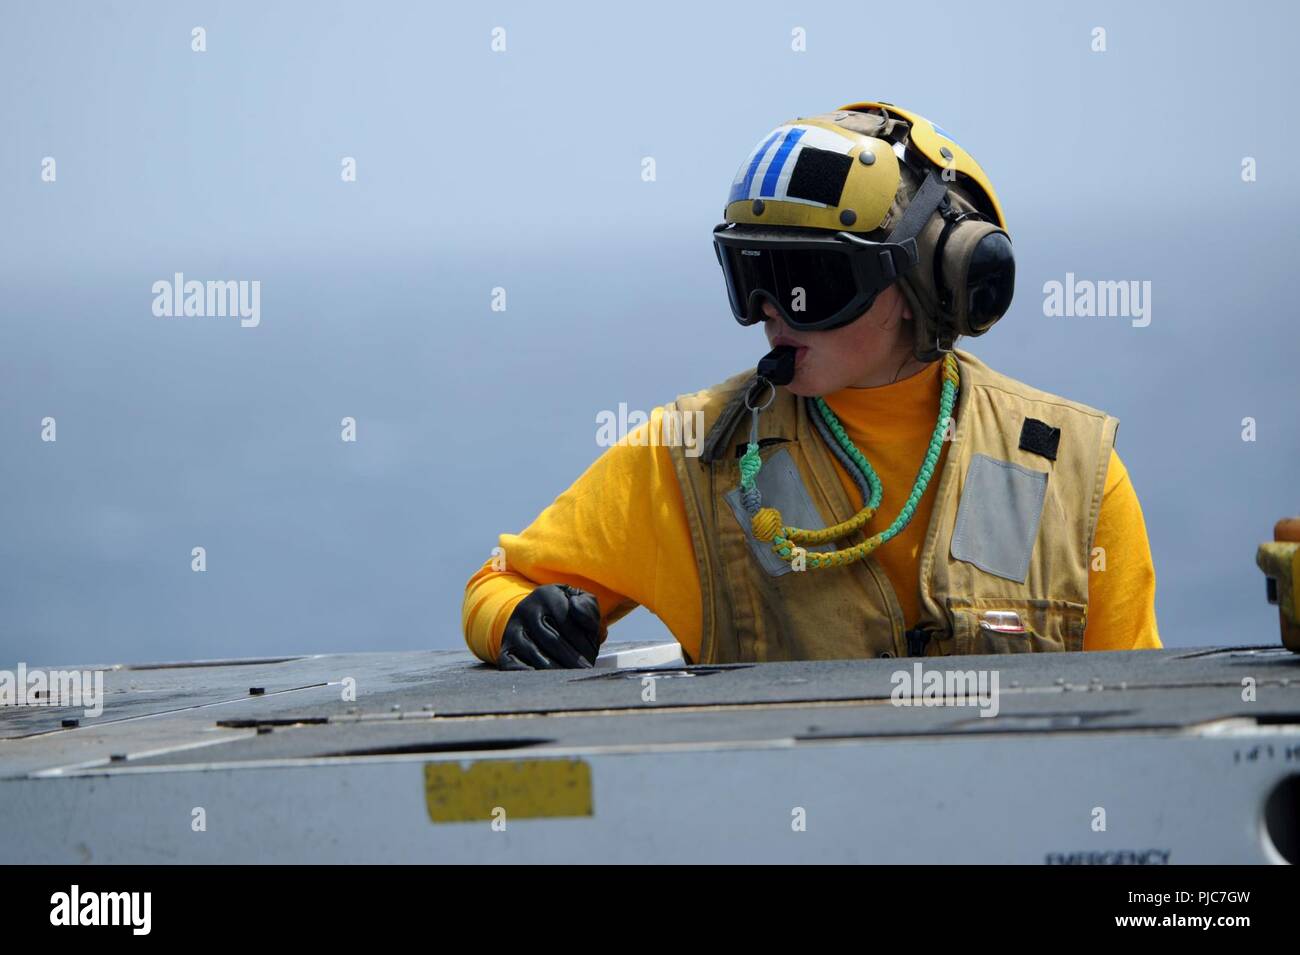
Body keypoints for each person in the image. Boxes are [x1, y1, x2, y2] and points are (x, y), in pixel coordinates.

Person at [463, 100, 1161, 669]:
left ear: (929, 279)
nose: (769, 312)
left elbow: (1142, 723)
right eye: (751, 276)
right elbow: (499, 581)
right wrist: (517, 620)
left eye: (806, 283)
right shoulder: (696, 458)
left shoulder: (1071, 472)